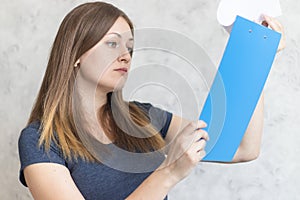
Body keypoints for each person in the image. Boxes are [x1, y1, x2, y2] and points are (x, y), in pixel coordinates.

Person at [18, 2, 286, 200]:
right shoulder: (40, 142)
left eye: (130, 47)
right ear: (76, 53)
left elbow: (241, 148)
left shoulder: (142, 118)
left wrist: (256, 58)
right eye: (113, 44)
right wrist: (169, 173)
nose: (126, 55)